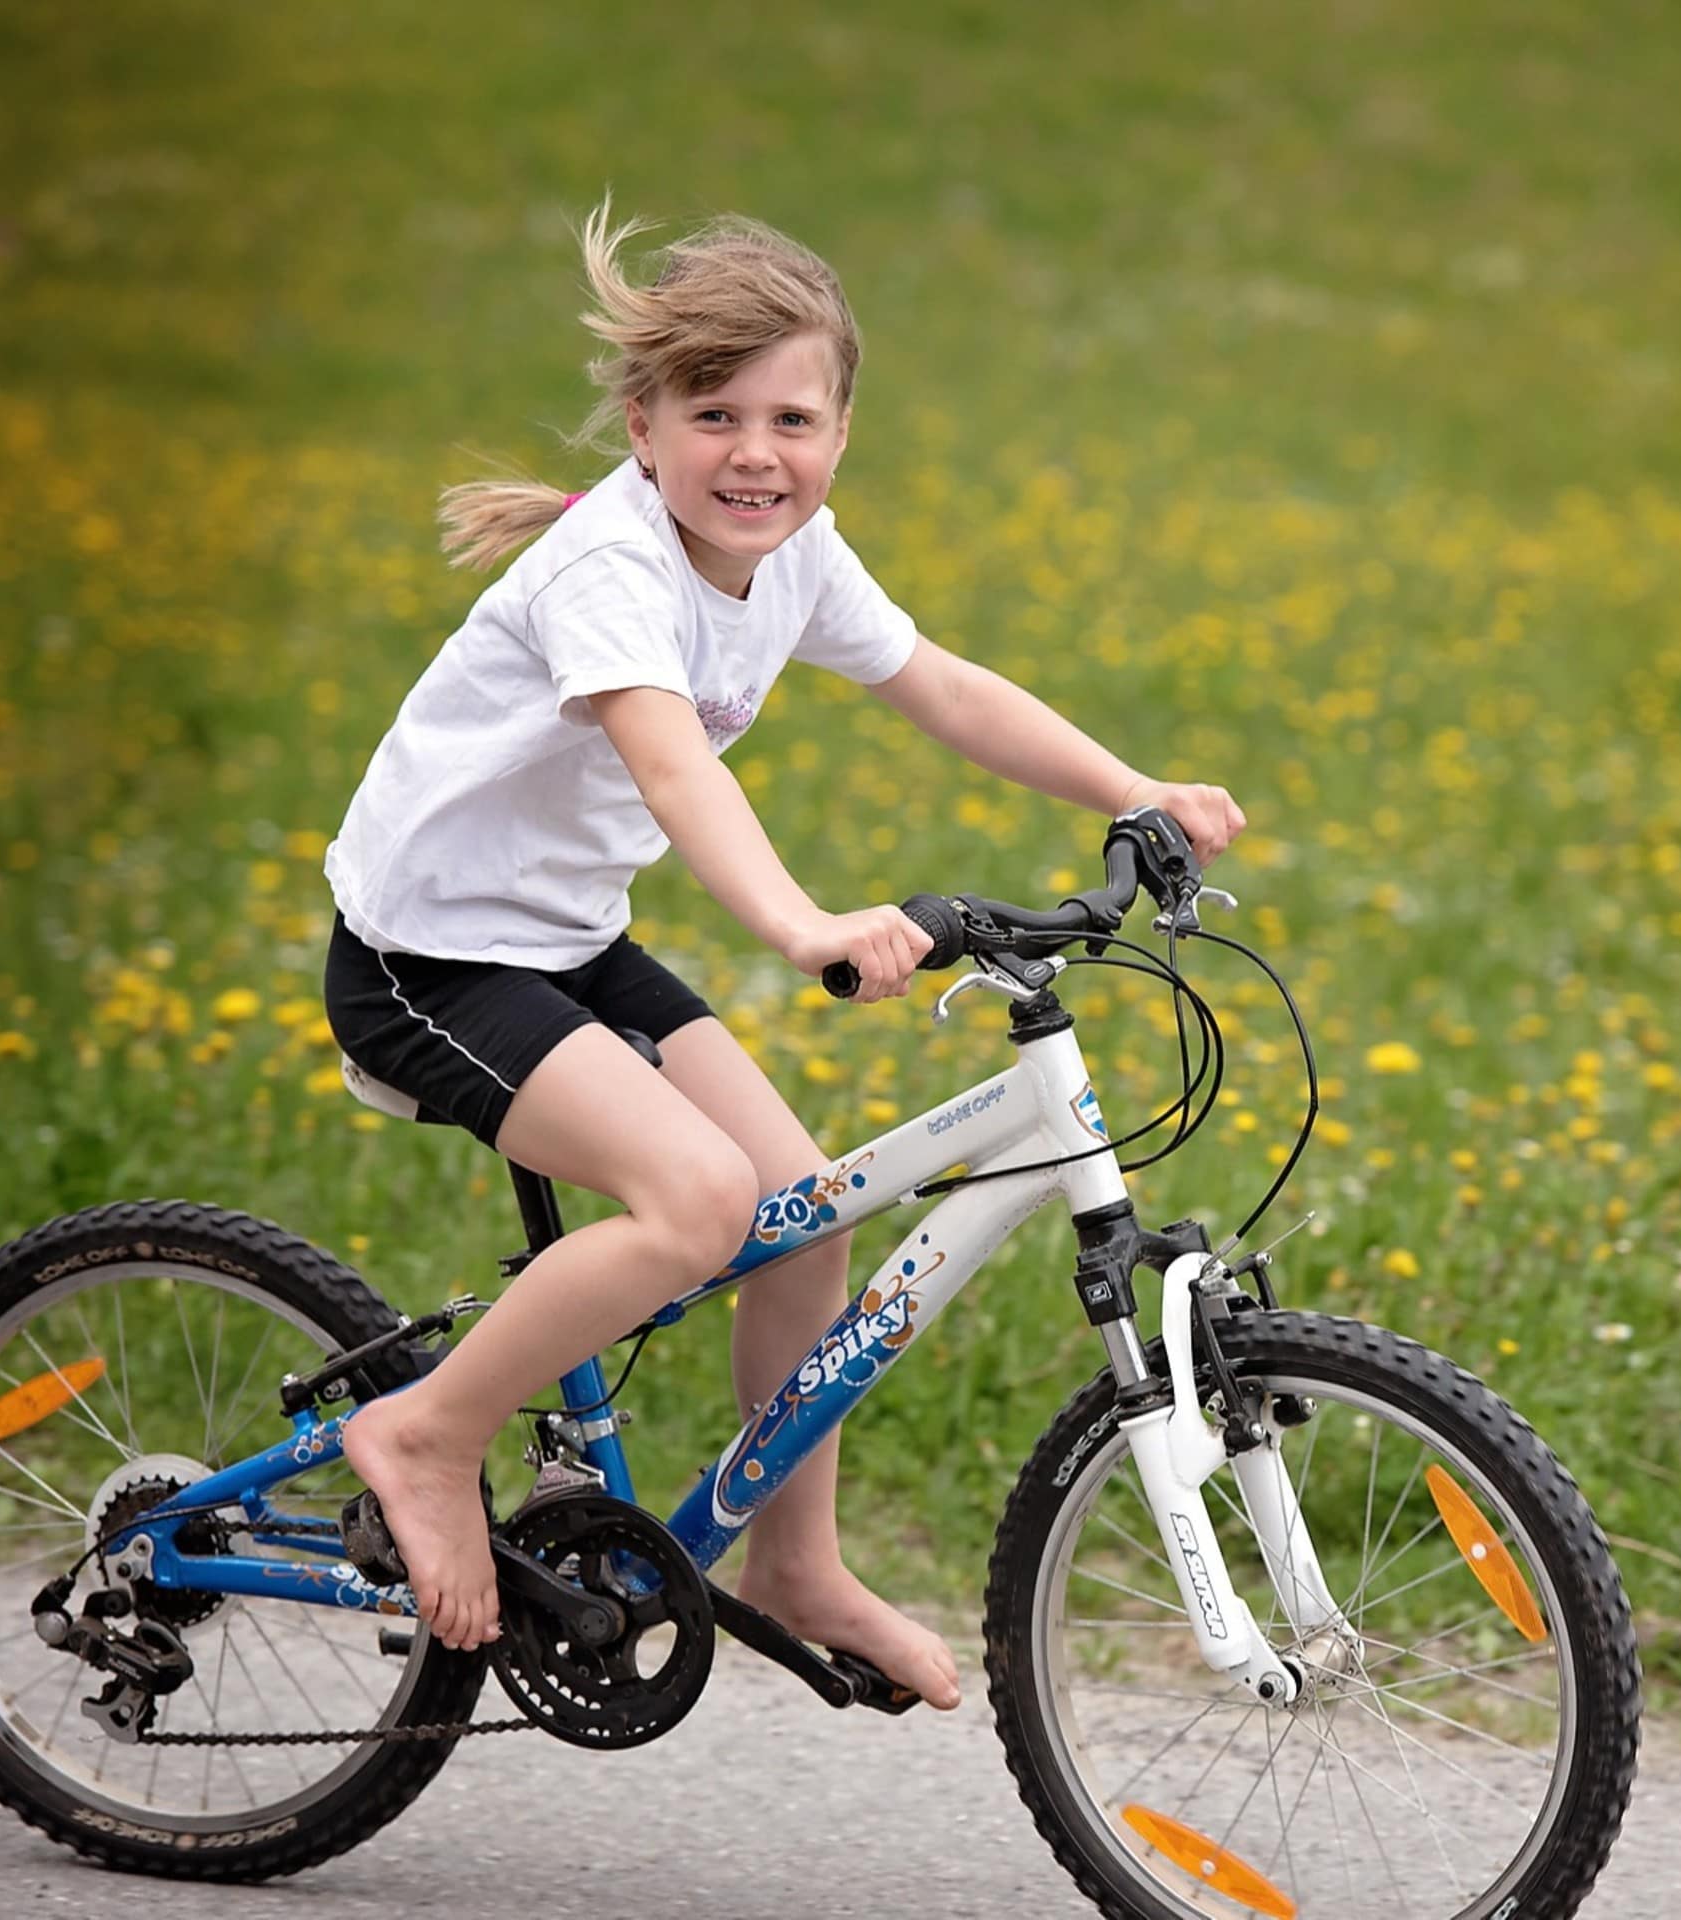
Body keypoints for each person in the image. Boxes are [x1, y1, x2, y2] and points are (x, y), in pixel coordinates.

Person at [322, 201, 1245, 1707]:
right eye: (716, 415)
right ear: (645, 425)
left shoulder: (797, 552)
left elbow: (941, 683)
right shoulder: (606, 573)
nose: (756, 452)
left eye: (792, 419)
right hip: (427, 960)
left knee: (803, 1217)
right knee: (698, 1202)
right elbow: (679, 770)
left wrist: (1133, 789)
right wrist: (807, 927)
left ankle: (792, 1560)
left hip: (563, 946)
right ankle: (425, 1433)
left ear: (840, 433)